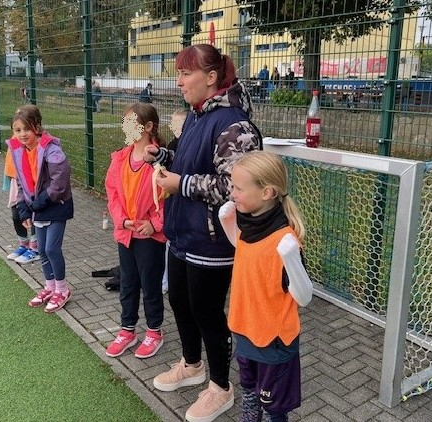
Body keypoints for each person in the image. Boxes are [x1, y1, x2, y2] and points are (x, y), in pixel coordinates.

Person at [145, 43, 261, 422]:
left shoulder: (235, 125)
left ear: (211, 78)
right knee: (180, 301)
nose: (179, 82)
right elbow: (190, 162)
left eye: (185, 74)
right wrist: (164, 158)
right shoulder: (197, 115)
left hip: (212, 241)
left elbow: (235, 187)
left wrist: (180, 184)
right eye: (178, 74)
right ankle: (191, 365)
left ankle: (220, 387)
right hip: (183, 231)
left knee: (207, 313)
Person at [219, 151, 313, 422]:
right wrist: (228, 224)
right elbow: (247, 253)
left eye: (238, 188)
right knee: (249, 385)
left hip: (273, 340)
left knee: (274, 403)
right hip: (245, 327)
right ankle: (251, 413)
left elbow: (304, 297)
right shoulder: (249, 225)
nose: (232, 193)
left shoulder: (284, 241)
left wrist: (291, 259)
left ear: (267, 193)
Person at [105, 102, 167, 359]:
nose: (126, 127)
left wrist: (154, 224)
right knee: (128, 283)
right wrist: (122, 221)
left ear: (148, 126)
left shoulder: (161, 160)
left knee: (150, 285)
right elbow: (113, 193)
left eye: (131, 122)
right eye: (125, 122)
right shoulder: (120, 158)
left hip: (150, 236)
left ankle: (154, 332)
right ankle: (127, 329)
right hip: (126, 234)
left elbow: (168, 197)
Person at [7, 105, 74, 313]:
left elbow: (59, 182)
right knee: (42, 250)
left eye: (26, 129)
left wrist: (38, 203)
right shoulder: (18, 150)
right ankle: (50, 287)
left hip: (55, 205)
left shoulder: (52, 150)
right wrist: (24, 209)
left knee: (52, 249)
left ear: (37, 127)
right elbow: (21, 182)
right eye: (17, 130)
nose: (22, 134)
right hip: (37, 206)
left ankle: (62, 289)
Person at [160, 108, 188, 294]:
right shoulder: (172, 145)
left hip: (184, 200)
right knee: (169, 245)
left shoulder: (188, 145)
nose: (175, 127)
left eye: (179, 123)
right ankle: (166, 281)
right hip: (172, 200)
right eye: (173, 123)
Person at [3, 149, 39, 264]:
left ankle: (35, 248)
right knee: (16, 216)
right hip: (16, 180)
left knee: (33, 214)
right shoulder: (14, 142)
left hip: (30, 179)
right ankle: (24, 245)